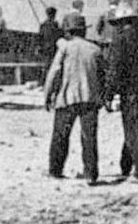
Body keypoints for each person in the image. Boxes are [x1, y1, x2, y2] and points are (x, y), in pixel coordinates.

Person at [44, 14, 104, 185]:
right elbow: (102, 75)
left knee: (60, 136)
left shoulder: (65, 48)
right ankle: (90, 174)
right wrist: (103, 96)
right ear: (83, 31)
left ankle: (55, 170)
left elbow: (54, 73)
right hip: (90, 98)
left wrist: (48, 95)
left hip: (67, 98)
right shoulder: (95, 50)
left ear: (68, 31)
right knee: (89, 137)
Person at [105, 0, 138, 182]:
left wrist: (109, 94)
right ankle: (125, 166)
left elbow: (115, 68)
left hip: (130, 92)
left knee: (132, 131)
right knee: (133, 127)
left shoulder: (120, 39)